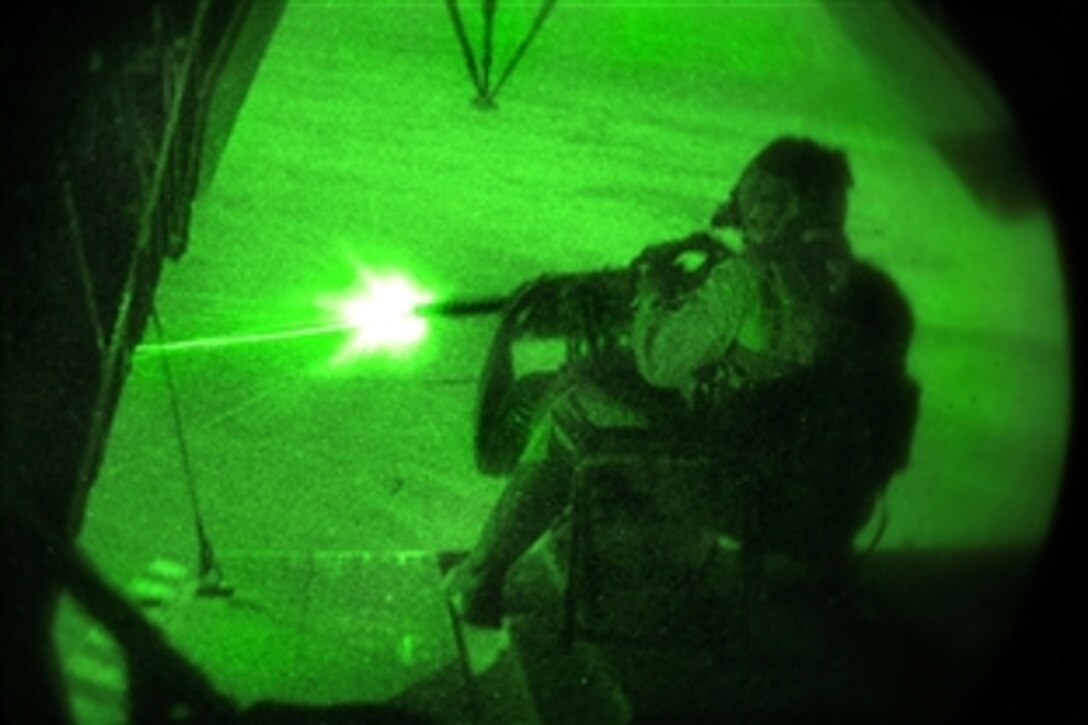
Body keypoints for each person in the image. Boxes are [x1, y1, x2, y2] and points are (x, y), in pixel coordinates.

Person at [447, 136, 918, 627]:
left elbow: (659, 362)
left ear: (784, 207)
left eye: (757, 201)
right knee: (618, 391)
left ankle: (481, 576)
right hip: (837, 508)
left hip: (748, 498)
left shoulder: (748, 279)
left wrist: (654, 291)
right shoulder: (881, 294)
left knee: (572, 407)